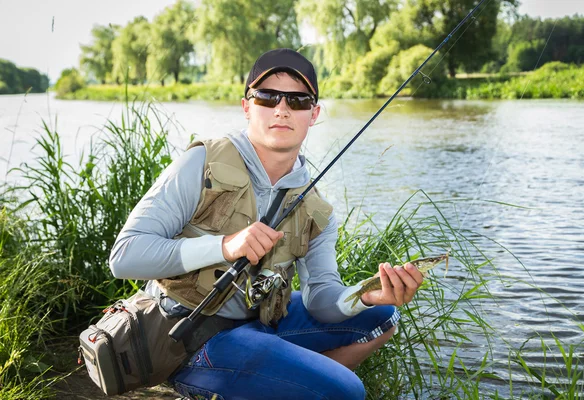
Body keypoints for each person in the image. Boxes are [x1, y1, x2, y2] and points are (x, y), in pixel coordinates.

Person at [109, 48, 424, 400]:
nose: (281, 109)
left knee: (383, 316)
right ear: (247, 106)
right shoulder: (201, 162)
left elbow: (322, 298)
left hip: (259, 324)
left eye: (298, 100)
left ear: (314, 114)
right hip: (188, 333)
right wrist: (224, 246)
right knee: (346, 391)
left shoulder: (317, 208)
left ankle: (283, 382)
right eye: (267, 96)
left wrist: (366, 296)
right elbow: (124, 256)